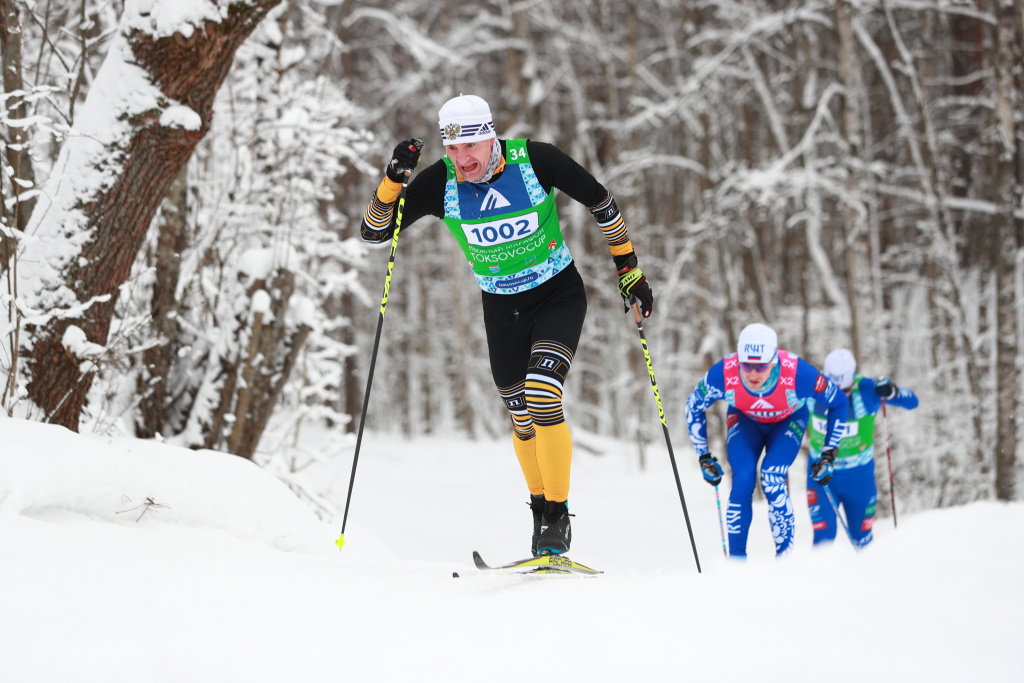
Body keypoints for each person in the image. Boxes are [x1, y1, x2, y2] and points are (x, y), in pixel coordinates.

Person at [359, 94, 653, 557]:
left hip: (557, 293)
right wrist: (393, 181)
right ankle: (539, 510)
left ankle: (558, 515)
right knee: (521, 416)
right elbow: (377, 233)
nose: (462, 160)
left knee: (542, 392)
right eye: (452, 150)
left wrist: (630, 271)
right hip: (501, 308)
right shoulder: (441, 183)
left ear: (490, 135)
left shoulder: (535, 160)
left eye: (471, 147)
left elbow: (602, 202)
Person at [684, 323, 849, 558]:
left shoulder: (798, 374)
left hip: (788, 420)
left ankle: (784, 562)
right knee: (743, 478)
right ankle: (737, 564)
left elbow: (840, 402)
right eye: (746, 365)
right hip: (745, 420)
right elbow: (693, 405)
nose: (752, 373)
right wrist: (703, 455)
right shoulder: (724, 373)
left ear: (773, 361)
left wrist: (829, 453)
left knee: (771, 475)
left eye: (760, 366)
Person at [806, 348, 919, 548]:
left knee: (863, 541)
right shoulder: (810, 387)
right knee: (823, 540)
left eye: (844, 392)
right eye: (831, 392)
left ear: (853, 381)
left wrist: (893, 391)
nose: (838, 400)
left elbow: (912, 401)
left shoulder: (867, 389)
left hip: (859, 478)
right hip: (822, 476)